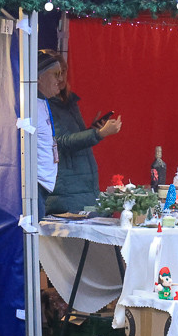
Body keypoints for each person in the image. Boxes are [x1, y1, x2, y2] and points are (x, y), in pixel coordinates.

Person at [41, 50, 122, 214]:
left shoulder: (69, 101)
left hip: (81, 184)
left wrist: (93, 130)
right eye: (56, 74)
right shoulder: (45, 104)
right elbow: (61, 141)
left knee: (99, 215)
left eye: (63, 72)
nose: (61, 78)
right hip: (66, 188)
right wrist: (98, 134)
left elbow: (70, 138)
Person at [35, 51, 61, 220]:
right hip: (34, 184)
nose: (60, 79)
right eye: (56, 74)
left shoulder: (43, 102)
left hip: (44, 184)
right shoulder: (28, 105)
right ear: (39, 77)